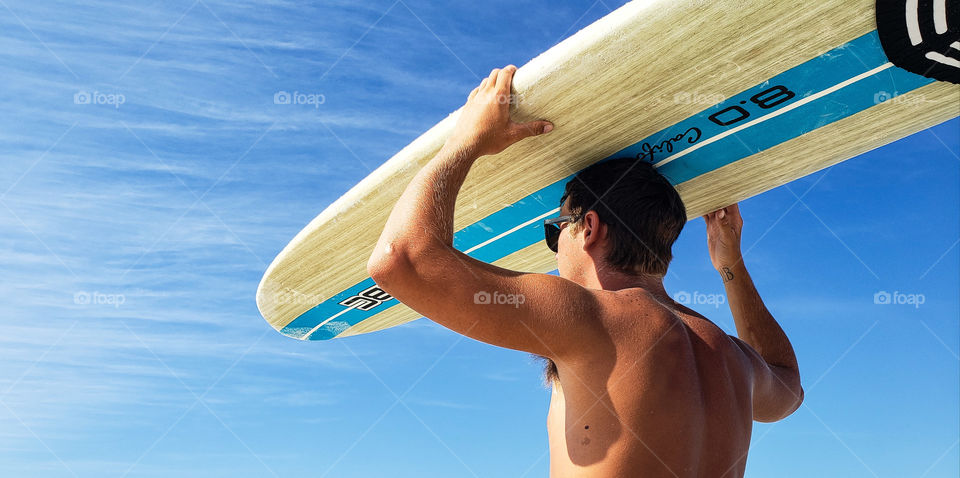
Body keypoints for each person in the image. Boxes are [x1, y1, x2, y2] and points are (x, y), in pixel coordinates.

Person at [367, 65, 803, 477]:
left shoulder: (592, 316)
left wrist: (465, 142)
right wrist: (732, 266)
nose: (554, 251)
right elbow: (789, 389)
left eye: (555, 233)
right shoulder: (732, 359)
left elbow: (401, 259)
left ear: (588, 227)